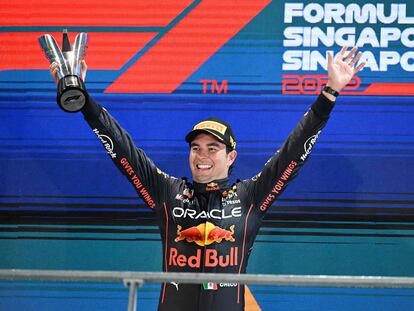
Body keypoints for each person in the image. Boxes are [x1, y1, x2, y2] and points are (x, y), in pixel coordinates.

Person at [50, 46, 365, 311]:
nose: (202, 155)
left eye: (213, 148)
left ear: (231, 157)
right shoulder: (167, 192)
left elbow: (293, 153)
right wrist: (84, 101)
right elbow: (122, 150)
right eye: (196, 147)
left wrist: (329, 93)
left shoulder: (251, 197)